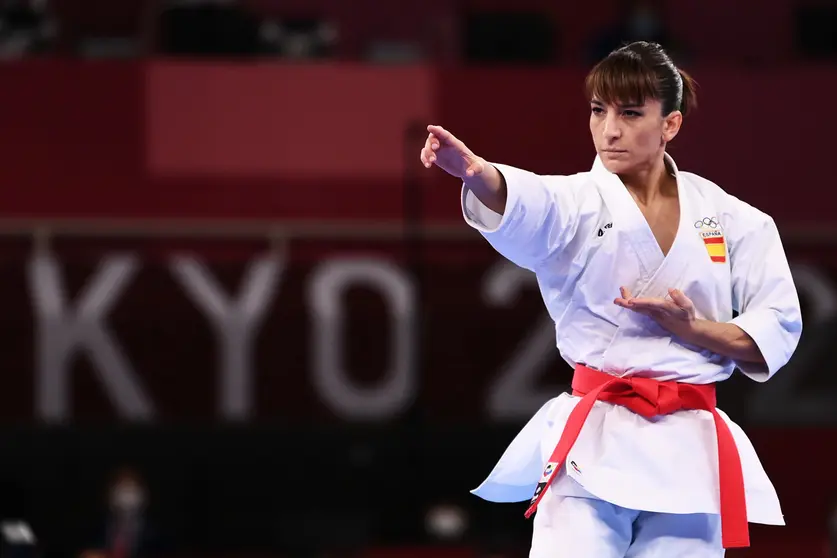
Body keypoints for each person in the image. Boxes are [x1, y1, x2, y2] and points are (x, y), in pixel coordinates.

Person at [419, 41, 802, 557]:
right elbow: (529, 200)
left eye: (629, 113)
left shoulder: (734, 219)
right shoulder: (578, 202)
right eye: (599, 111)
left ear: (671, 125)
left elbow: (776, 327)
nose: (609, 130)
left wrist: (694, 331)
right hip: (594, 444)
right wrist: (477, 174)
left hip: (689, 452)